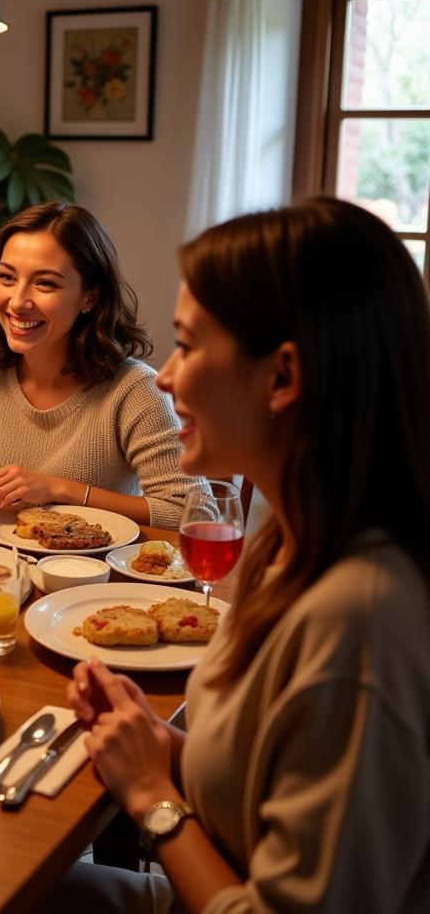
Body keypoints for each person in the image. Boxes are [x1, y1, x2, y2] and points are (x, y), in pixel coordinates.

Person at [65, 198, 430, 912]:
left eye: (189, 345)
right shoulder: (282, 542)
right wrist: (157, 745)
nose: (165, 376)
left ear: (284, 378)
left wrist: (151, 798)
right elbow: (262, 785)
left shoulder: (362, 620)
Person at [0, 201, 200, 529]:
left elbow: (193, 513)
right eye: (7, 277)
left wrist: (60, 489)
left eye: (45, 283)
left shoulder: (135, 389)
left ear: (89, 298)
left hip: (94, 574)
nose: (18, 301)